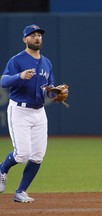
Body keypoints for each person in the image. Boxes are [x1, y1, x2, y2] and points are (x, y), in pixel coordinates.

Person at [0, 24, 55, 203]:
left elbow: (49, 88)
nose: (37, 38)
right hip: (19, 110)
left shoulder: (47, 62)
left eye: (39, 35)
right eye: (32, 35)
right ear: (25, 39)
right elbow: (4, 81)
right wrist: (19, 76)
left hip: (39, 112)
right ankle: (2, 169)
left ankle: (21, 191)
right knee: (22, 154)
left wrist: (55, 92)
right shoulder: (17, 60)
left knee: (38, 156)